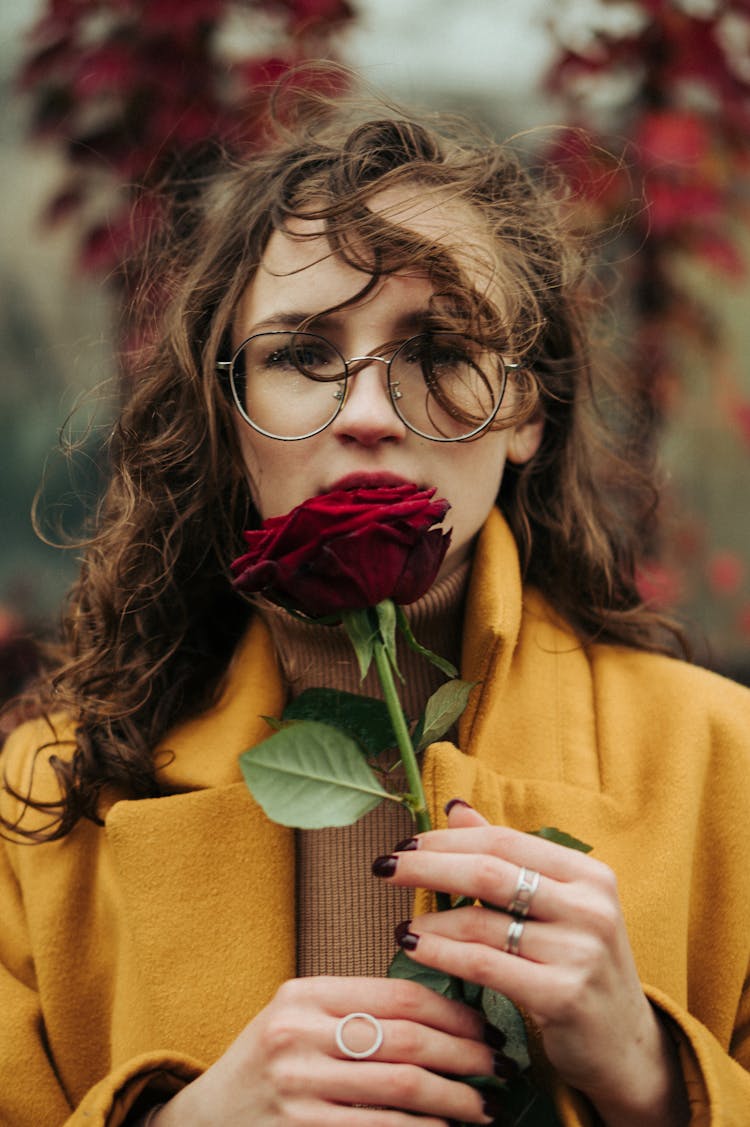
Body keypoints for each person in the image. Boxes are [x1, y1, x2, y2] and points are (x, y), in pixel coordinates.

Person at [2, 72, 749, 1127]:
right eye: (305, 353)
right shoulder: (44, 799)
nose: (364, 411)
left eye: (439, 349)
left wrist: (651, 1075)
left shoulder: (727, 767)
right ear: (231, 404)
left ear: (527, 409)